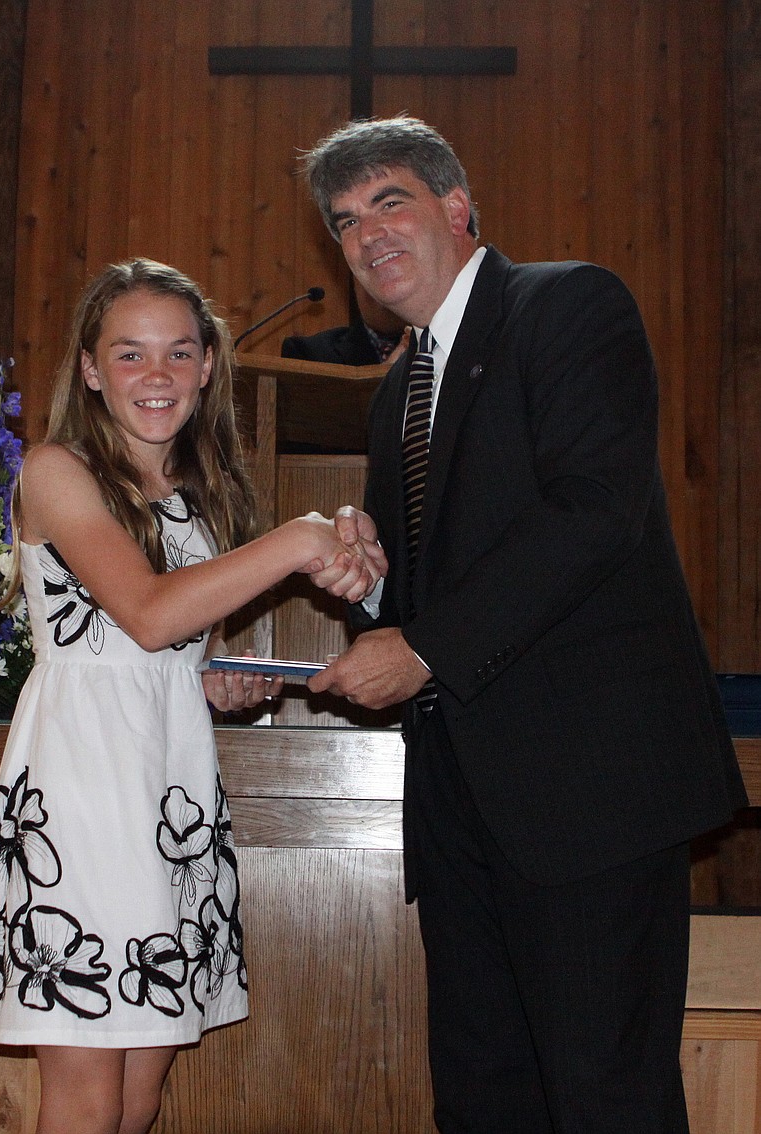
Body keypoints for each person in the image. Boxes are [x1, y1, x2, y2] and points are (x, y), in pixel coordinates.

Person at [301, 116, 748, 1133]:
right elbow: (428, 595)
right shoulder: (393, 401)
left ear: (458, 209)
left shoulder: (565, 305)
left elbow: (593, 510)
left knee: (604, 1097)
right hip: (460, 799)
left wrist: (416, 646)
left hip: (587, 793)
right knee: (482, 1096)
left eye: (389, 200)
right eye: (342, 220)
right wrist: (367, 585)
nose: (365, 232)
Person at [0, 258, 385, 1134]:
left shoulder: (202, 498)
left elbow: (171, 651)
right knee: (86, 1094)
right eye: (131, 354)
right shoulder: (56, 470)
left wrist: (218, 675)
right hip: (82, 791)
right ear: (91, 369)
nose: (157, 376)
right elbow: (145, 615)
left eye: (180, 354)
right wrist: (302, 537)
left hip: (167, 789)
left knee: (141, 1093)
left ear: (209, 366)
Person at [282, 279, 408, 365]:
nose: (385, 291)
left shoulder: (426, 343)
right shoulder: (308, 355)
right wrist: (388, 376)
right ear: (354, 283)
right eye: (374, 277)